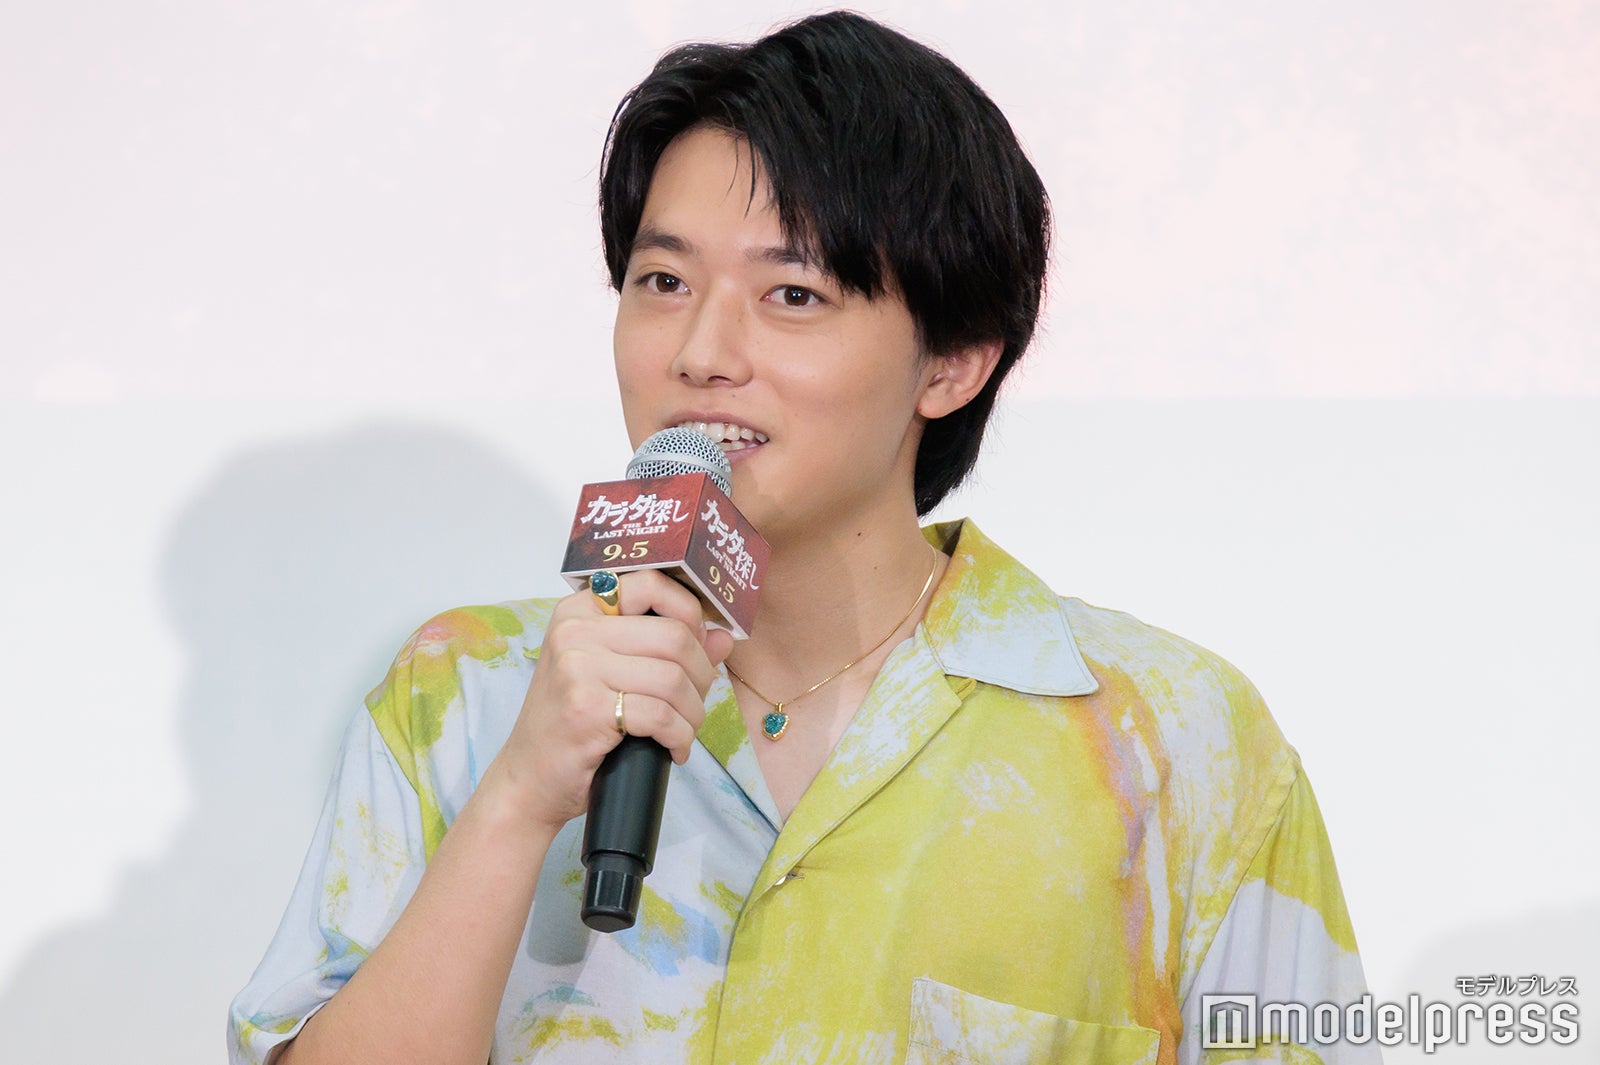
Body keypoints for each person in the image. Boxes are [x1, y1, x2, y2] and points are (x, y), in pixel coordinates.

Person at [230, 12, 1373, 1064]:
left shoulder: (1173, 742)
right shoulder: (466, 694)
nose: (700, 353)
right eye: (662, 279)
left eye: (792, 296)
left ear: (952, 362)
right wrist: (520, 799)